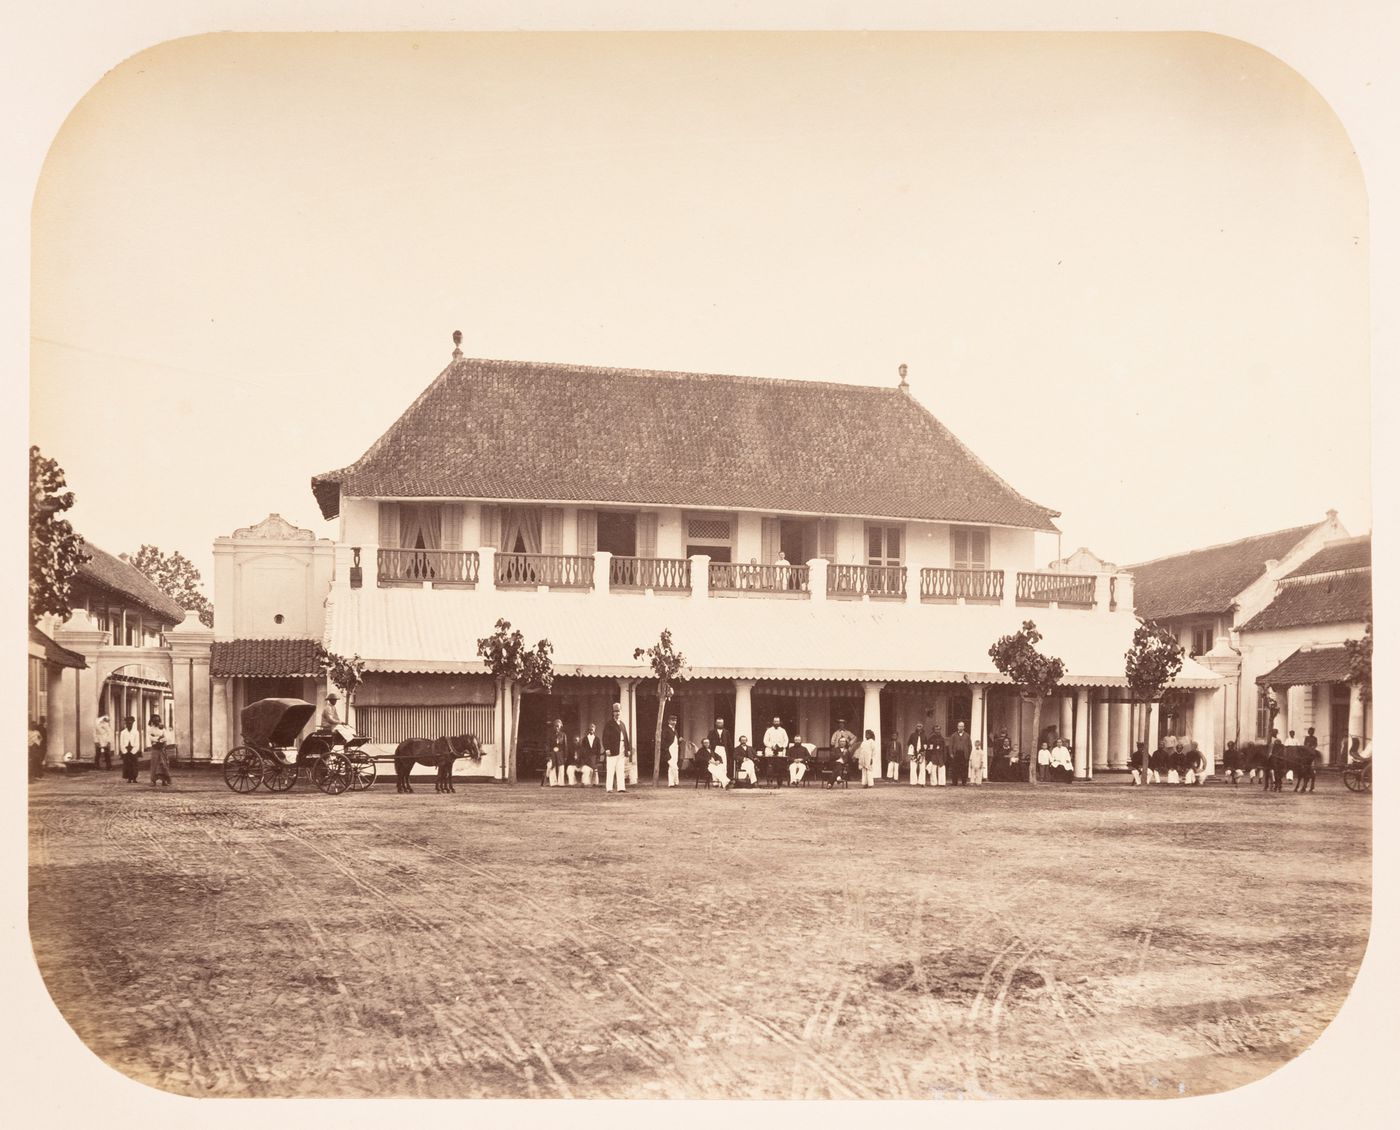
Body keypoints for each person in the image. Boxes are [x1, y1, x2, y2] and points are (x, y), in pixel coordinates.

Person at [603, 702, 632, 793]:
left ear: (621, 712)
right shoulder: (609, 724)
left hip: (622, 749)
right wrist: (607, 749)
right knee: (611, 769)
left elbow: (626, 737)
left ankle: (621, 787)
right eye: (615, 711)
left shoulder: (622, 724)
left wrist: (628, 749)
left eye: (618, 711)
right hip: (612, 749)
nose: (617, 713)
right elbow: (605, 737)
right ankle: (609, 788)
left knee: (620, 769)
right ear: (613, 713)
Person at [147, 714, 172, 787]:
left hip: (162, 748)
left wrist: (160, 740)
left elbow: (166, 737)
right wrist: (158, 738)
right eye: (155, 720)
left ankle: (164, 781)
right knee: (154, 764)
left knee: (163, 764)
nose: (156, 721)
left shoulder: (162, 728)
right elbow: (150, 738)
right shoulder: (150, 729)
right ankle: (153, 781)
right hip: (155, 748)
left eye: (158, 720)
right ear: (152, 721)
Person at [577, 722, 604, 787]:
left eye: (593, 729)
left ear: (594, 730)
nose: (591, 730)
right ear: (588, 730)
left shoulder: (597, 739)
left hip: (594, 757)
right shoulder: (585, 739)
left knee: (594, 769)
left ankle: (595, 783)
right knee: (587, 769)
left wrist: (598, 758)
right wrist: (584, 757)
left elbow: (598, 749)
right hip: (586, 757)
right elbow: (582, 749)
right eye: (590, 729)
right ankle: (586, 782)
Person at [545, 718, 569, 787]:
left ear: (560, 726)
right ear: (553, 727)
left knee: (561, 767)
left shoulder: (563, 735)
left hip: (561, 753)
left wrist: (565, 756)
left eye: (558, 726)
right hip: (552, 753)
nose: (557, 727)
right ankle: (553, 783)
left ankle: (561, 783)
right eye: (555, 726)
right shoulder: (550, 735)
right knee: (552, 767)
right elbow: (548, 746)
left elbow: (565, 746)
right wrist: (548, 755)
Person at [661, 715, 683, 788]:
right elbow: (663, 740)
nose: (674, 722)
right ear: (669, 721)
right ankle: (674, 781)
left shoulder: (675, 730)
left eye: (675, 721)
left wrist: (679, 741)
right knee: (672, 764)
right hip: (669, 749)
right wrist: (665, 749)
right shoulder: (666, 729)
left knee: (673, 765)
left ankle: (672, 782)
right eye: (672, 720)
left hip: (675, 748)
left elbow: (675, 741)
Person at [118, 715, 141, 783]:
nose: (129, 724)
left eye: (130, 723)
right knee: (127, 764)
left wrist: (134, 750)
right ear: (126, 724)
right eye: (127, 723)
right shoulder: (123, 732)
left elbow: (137, 742)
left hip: (133, 749)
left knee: (134, 764)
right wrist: (124, 750)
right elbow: (121, 742)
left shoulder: (136, 732)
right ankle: (129, 778)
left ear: (133, 723)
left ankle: (134, 778)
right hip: (126, 749)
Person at [949, 722, 971, 787]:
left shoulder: (967, 735)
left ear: (964, 727)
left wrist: (968, 754)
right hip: (956, 754)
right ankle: (954, 782)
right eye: (959, 726)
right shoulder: (953, 735)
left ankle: (964, 782)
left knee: (964, 768)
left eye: (962, 726)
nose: (960, 727)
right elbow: (950, 745)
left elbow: (970, 746)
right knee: (955, 768)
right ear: (957, 727)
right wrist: (951, 753)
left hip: (964, 754)